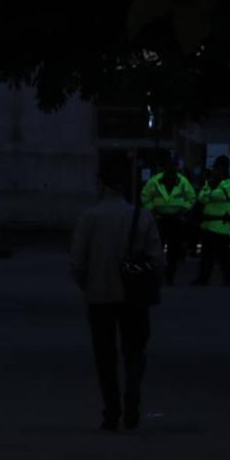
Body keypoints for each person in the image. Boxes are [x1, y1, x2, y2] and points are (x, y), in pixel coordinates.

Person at [71, 166, 165, 432]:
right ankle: (132, 399)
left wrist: (88, 286)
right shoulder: (142, 217)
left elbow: (77, 263)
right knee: (134, 351)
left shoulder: (89, 218)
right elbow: (158, 261)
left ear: (101, 184)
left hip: (99, 297)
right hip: (134, 297)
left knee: (105, 356)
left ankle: (111, 411)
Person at [140, 165, 195, 284]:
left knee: (173, 250)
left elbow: (191, 198)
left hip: (175, 220)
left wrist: (183, 210)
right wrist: (153, 210)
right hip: (161, 219)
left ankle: (169, 276)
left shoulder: (182, 181)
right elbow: (145, 196)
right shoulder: (155, 181)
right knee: (157, 249)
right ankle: (159, 274)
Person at [193, 156, 230, 286]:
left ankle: (228, 279)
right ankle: (203, 278)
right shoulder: (210, 182)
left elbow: (222, 196)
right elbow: (201, 198)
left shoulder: (229, 183)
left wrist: (209, 193)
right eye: (216, 168)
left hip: (221, 225)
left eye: (219, 168)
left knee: (224, 256)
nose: (217, 171)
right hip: (208, 224)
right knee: (206, 255)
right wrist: (210, 192)